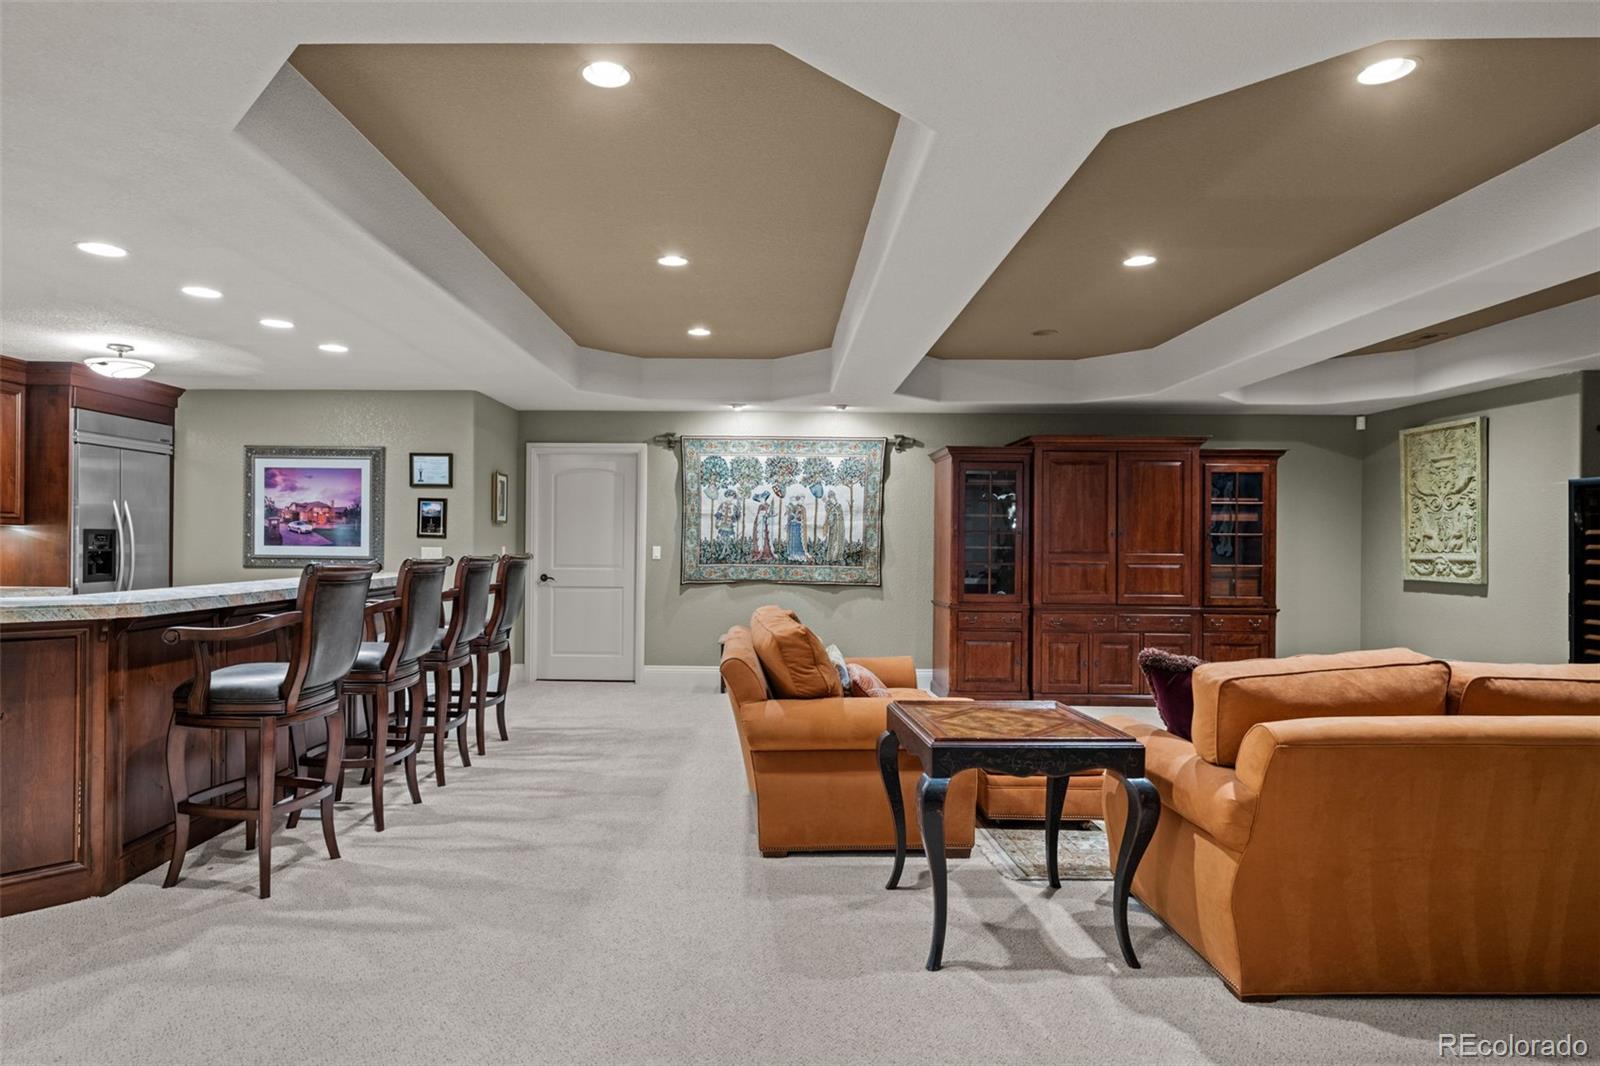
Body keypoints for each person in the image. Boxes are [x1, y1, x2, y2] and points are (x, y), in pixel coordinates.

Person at [823, 490, 845, 563]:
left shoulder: (839, 505)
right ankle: (830, 557)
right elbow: (829, 515)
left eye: (832, 497)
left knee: (839, 540)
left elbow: (840, 515)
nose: (831, 498)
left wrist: (835, 511)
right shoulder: (829, 506)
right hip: (833, 526)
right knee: (832, 540)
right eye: (830, 497)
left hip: (840, 526)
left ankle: (838, 556)